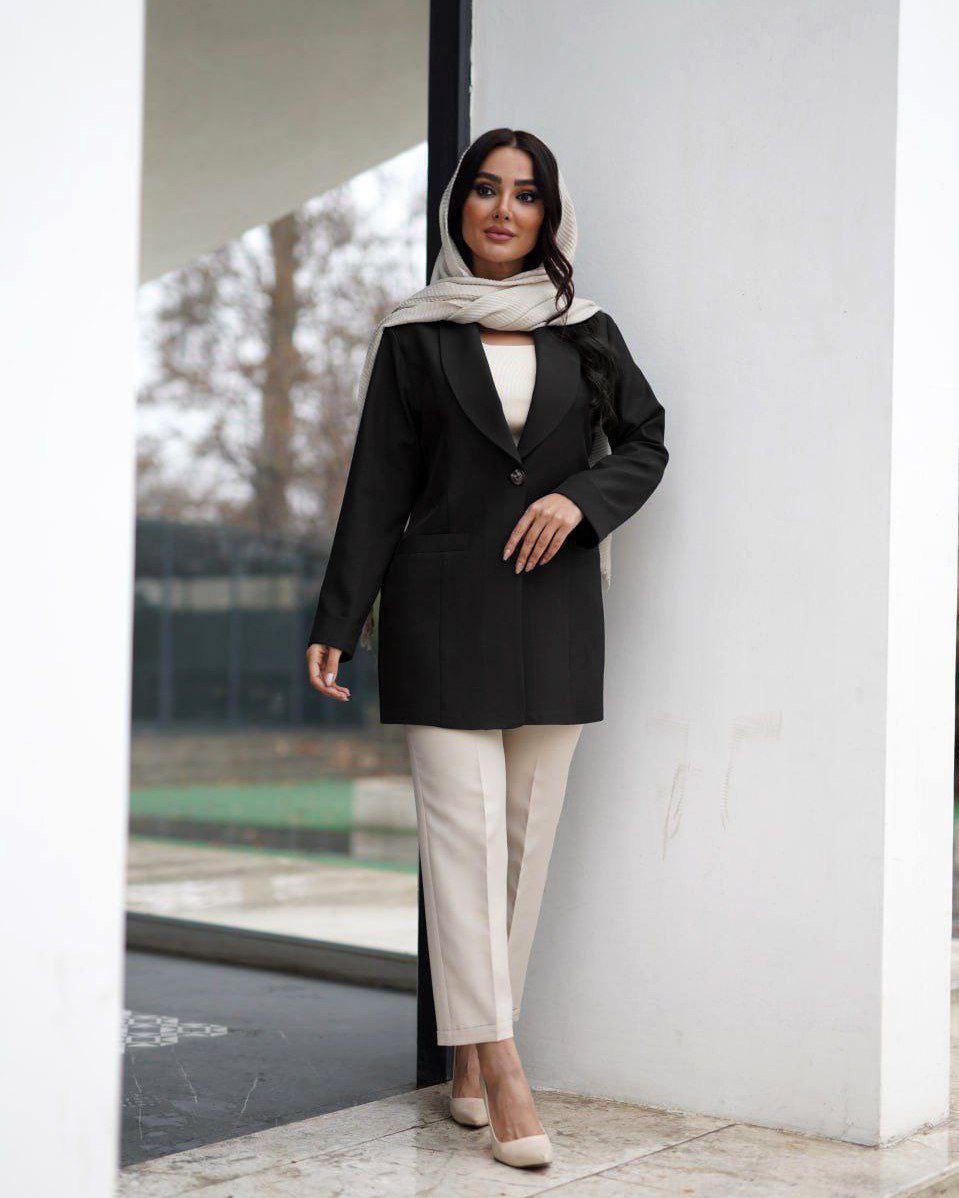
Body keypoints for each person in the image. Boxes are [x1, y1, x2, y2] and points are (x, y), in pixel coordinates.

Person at [305, 128, 669, 1169]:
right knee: (461, 841)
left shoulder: (584, 331)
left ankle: (469, 1052)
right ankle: (504, 1065)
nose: (503, 210)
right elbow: (377, 484)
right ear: (456, 206)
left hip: (555, 616)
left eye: (525, 194)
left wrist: (579, 499)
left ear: (549, 214)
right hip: (439, 614)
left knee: (520, 844)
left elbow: (645, 441)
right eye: (485, 190)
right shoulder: (414, 335)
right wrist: (338, 618)